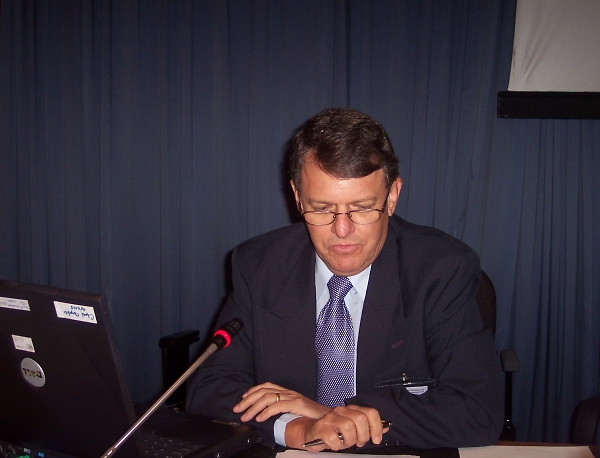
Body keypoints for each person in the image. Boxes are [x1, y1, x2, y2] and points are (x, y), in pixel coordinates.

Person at [186, 107, 503, 451]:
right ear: (297, 197)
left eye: (362, 207)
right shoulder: (259, 266)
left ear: (392, 196)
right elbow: (209, 389)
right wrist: (299, 428)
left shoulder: (441, 269)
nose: (341, 230)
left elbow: (477, 411)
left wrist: (332, 415)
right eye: (322, 208)